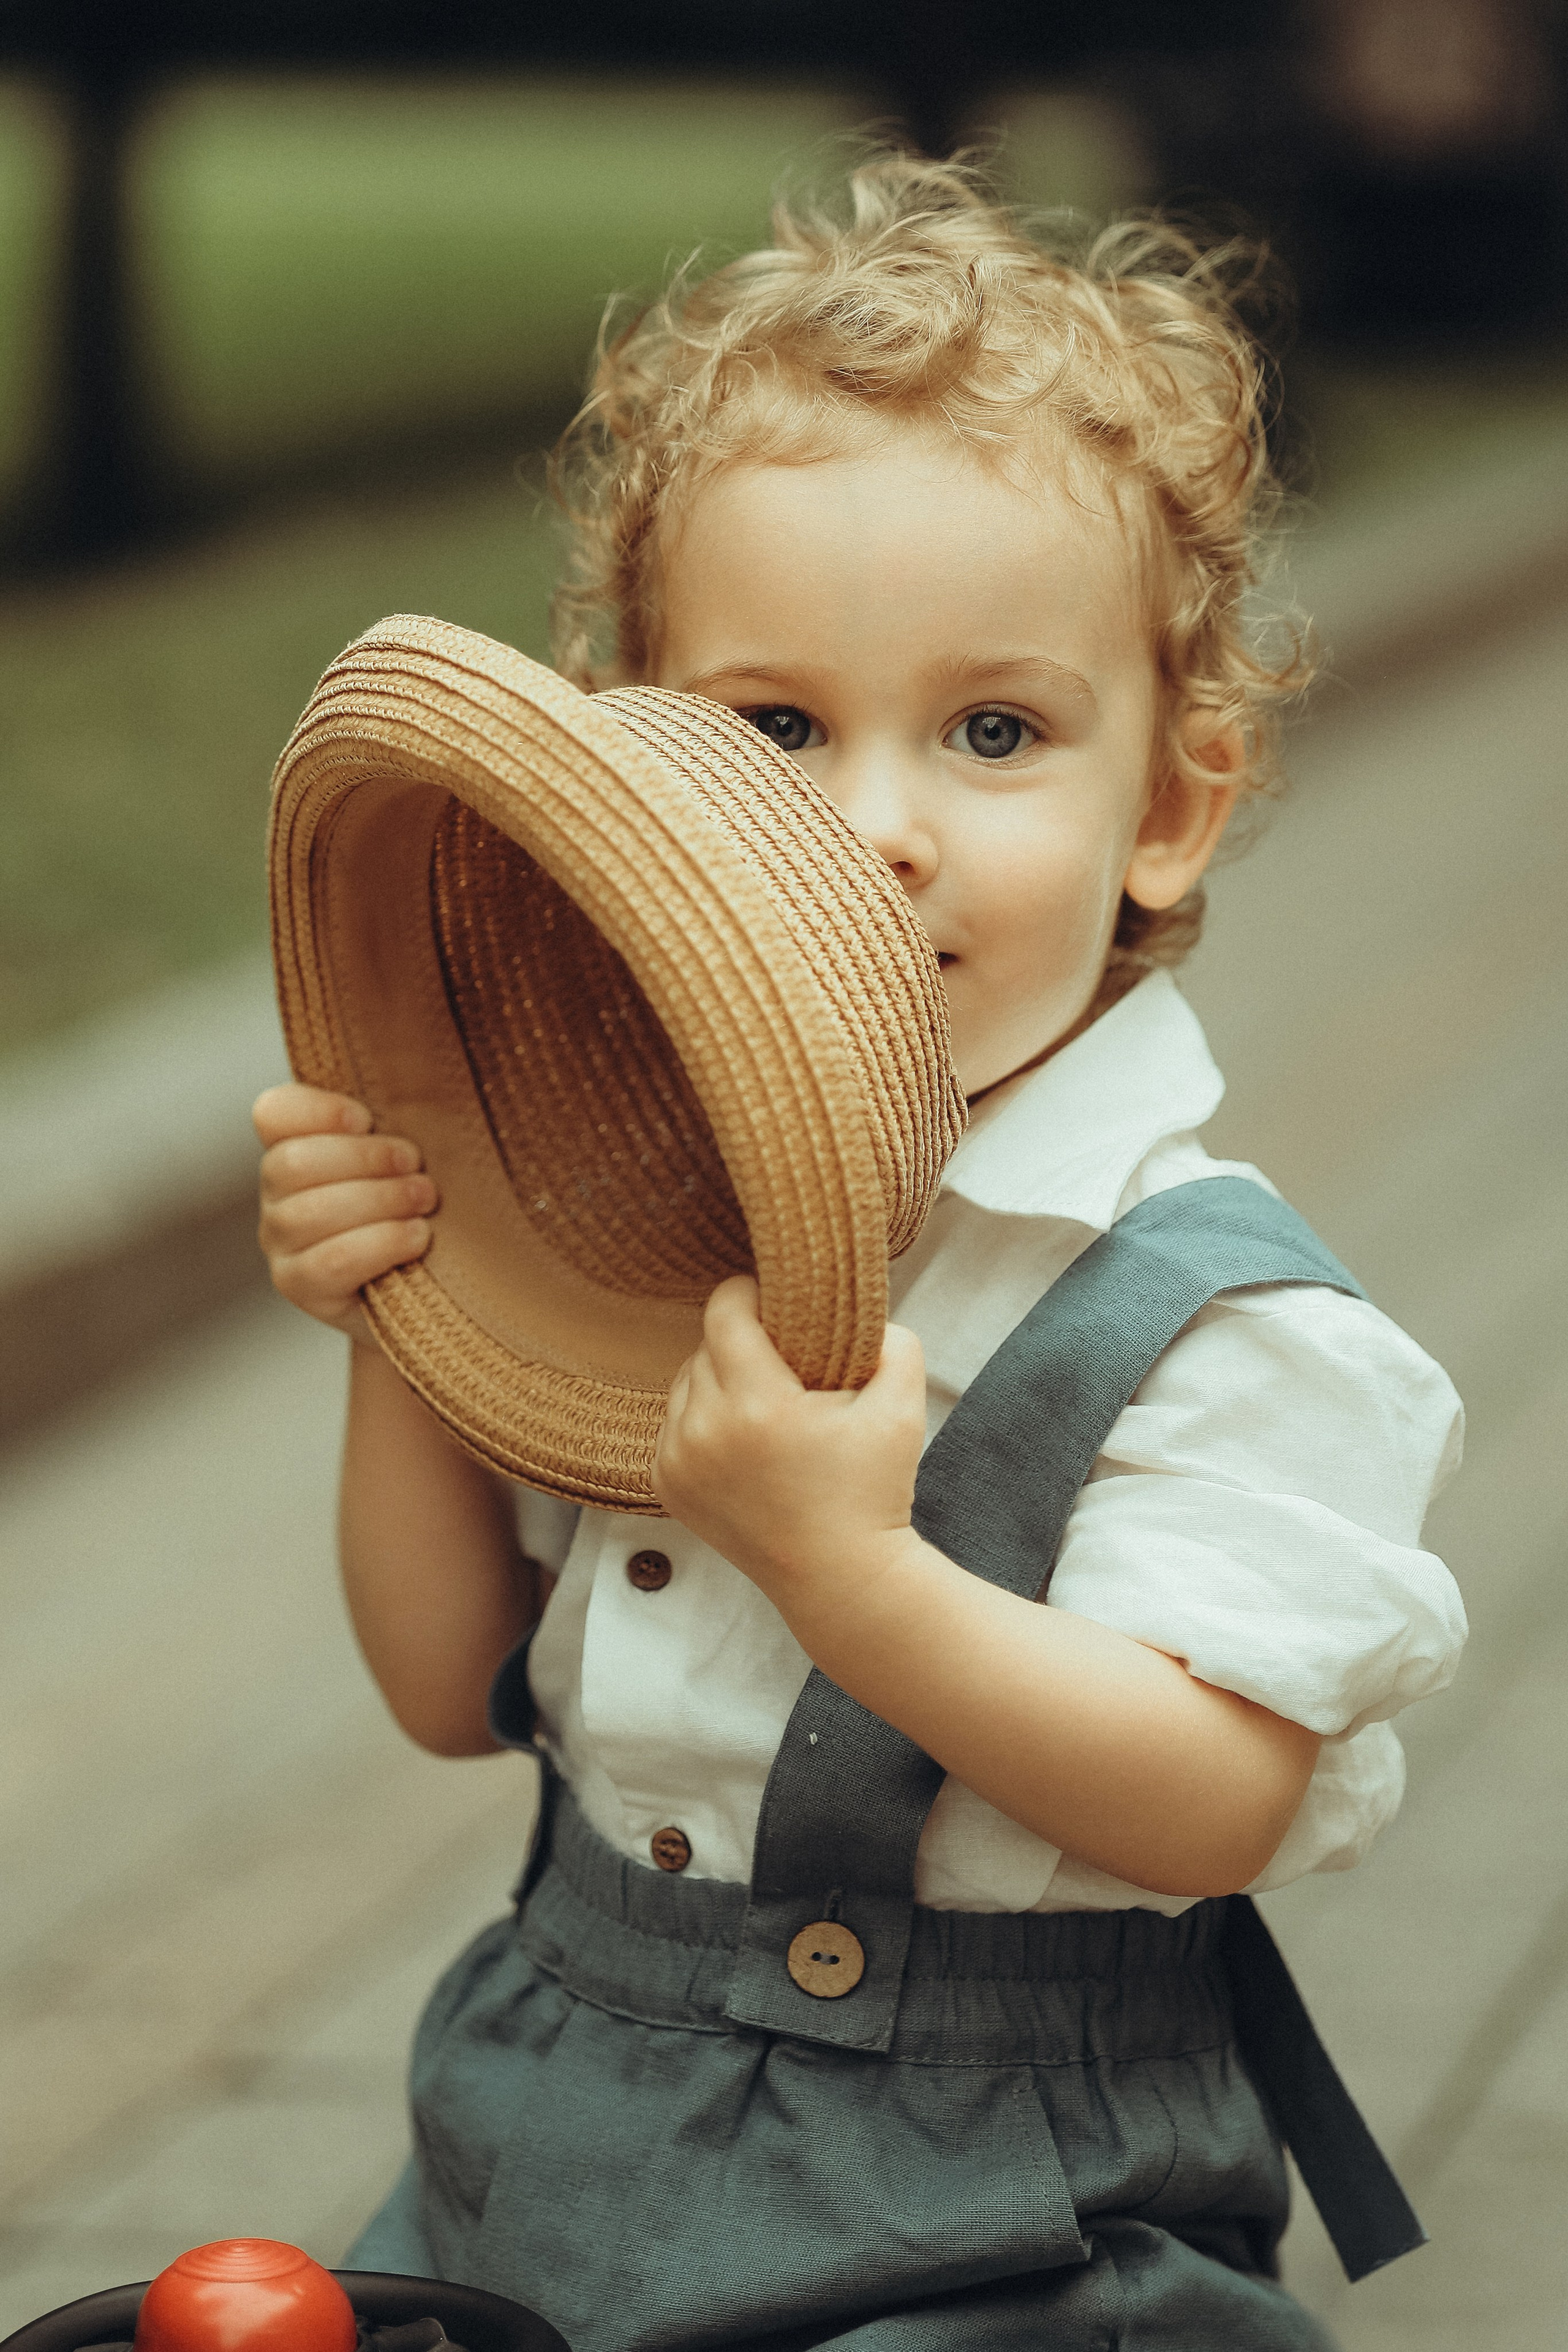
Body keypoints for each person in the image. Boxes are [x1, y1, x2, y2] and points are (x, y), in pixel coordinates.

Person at [253, 157, 1465, 2350]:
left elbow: (1218, 1796)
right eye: (776, 729)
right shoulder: (625, 1210)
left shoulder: (1208, 1310)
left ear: (1170, 807)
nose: (873, 821)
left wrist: (854, 1577)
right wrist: (401, 1318)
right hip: (548, 2110)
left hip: (983, 2203)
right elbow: (449, 1692)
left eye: (993, 732)